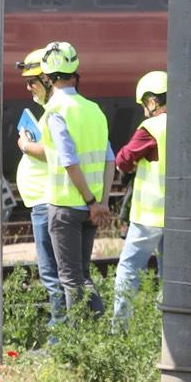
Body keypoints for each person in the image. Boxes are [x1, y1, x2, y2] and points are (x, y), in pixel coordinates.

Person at [40, 41, 110, 324]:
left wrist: (93, 202)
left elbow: (69, 161)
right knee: (83, 276)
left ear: (46, 77)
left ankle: (79, 340)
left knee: (70, 279)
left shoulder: (55, 110)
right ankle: (98, 335)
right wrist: (100, 202)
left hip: (66, 208)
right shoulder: (94, 109)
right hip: (89, 209)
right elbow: (110, 159)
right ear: (75, 71)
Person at [111, 71, 169, 324]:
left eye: (145, 104)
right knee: (170, 274)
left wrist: (133, 164)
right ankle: (169, 327)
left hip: (149, 215)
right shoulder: (189, 122)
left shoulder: (151, 127)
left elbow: (123, 159)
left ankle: (120, 327)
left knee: (129, 270)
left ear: (152, 101)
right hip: (178, 216)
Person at [12, 48, 55, 306]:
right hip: (47, 201)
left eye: (32, 82)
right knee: (64, 273)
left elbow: (55, 155)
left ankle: (60, 332)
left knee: (52, 273)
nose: (28, 88)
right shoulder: (56, 111)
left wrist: (26, 145)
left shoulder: (56, 113)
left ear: (48, 79)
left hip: (48, 201)